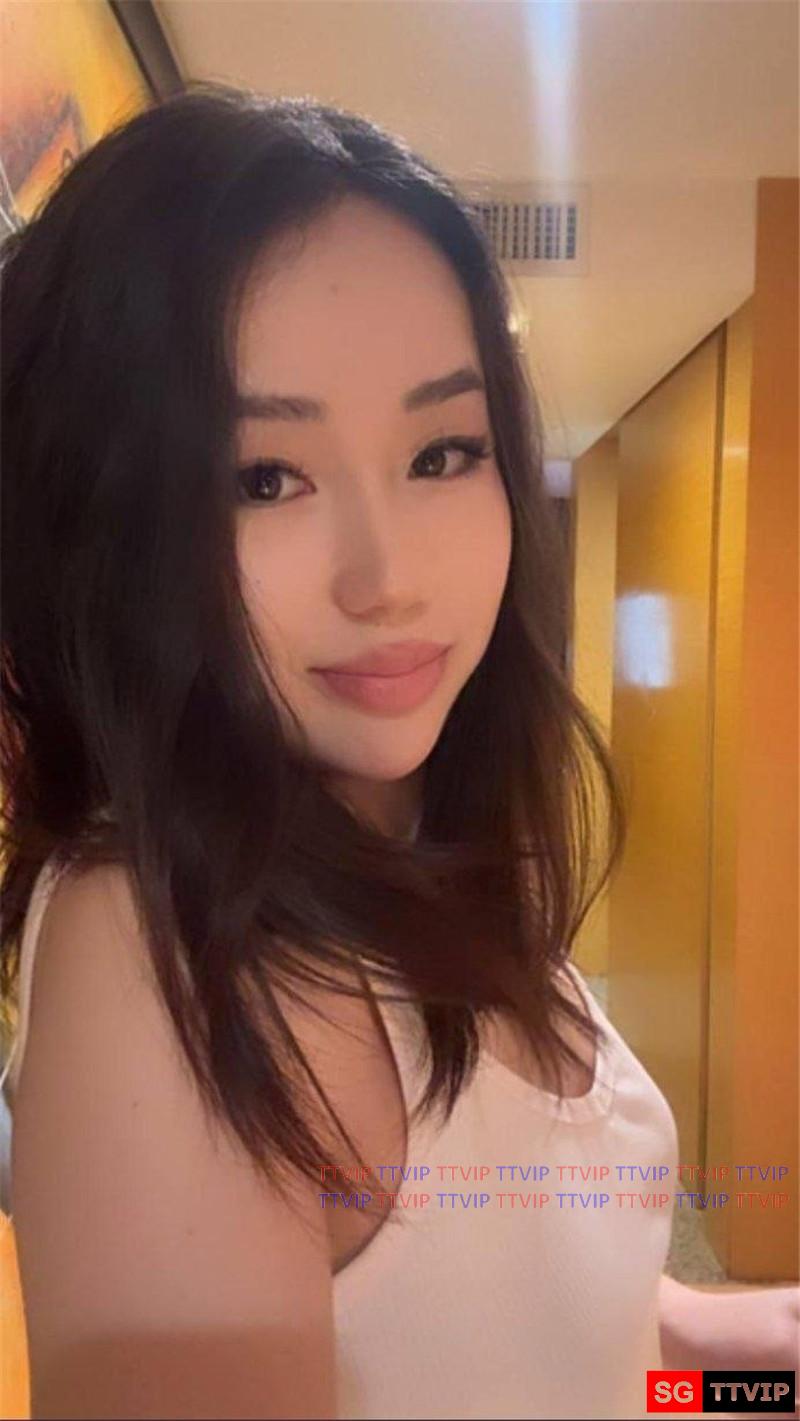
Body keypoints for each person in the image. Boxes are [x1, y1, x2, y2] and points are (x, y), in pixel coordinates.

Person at [0, 83, 796, 1421]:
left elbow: (516, 1314)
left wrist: (725, 1345)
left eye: (441, 452)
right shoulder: (162, 951)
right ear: (103, 521)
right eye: (263, 477)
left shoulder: (414, 838)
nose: (389, 578)